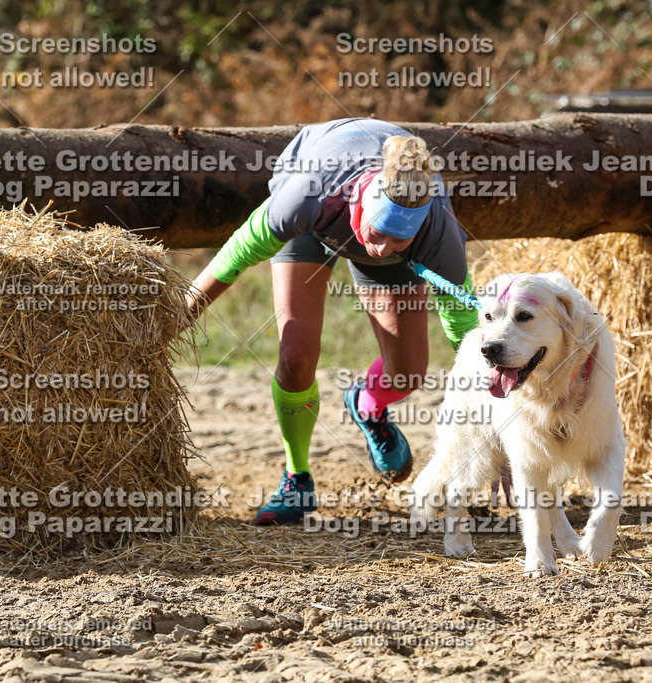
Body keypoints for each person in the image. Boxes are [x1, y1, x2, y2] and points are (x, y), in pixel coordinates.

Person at [186, 117, 479, 525]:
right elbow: (237, 253)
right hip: (320, 212)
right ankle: (296, 477)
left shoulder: (436, 231)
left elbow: (467, 330)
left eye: (399, 239)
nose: (382, 249)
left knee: (408, 373)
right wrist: (187, 307)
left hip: (368, 227)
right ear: (364, 204)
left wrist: (495, 424)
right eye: (380, 232)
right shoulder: (307, 196)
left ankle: (367, 405)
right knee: (296, 354)